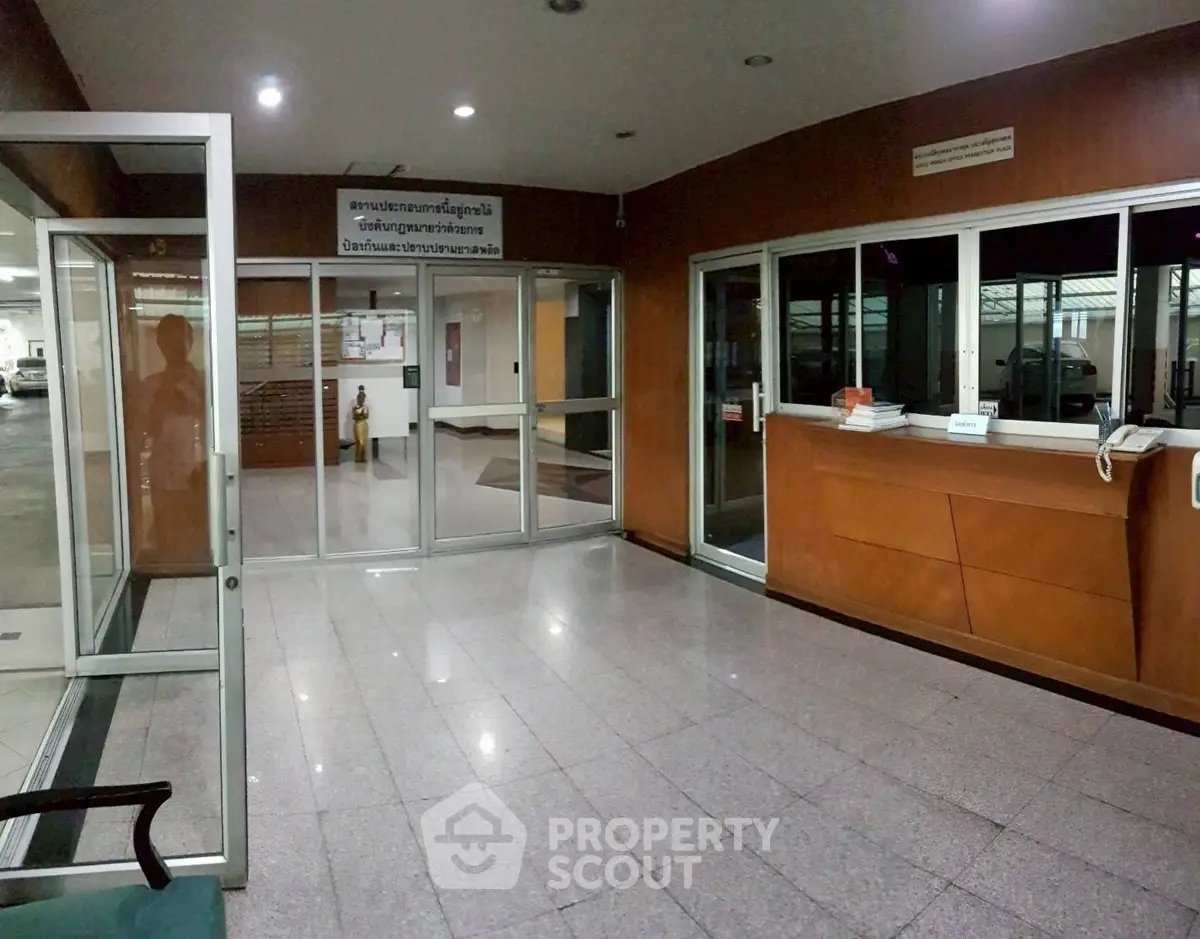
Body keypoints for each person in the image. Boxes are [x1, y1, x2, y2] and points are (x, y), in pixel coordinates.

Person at [141, 314, 206, 567]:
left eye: (181, 341)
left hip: (198, 471)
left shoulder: (203, 382)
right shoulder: (151, 386)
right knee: (167, 537)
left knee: (199, 536)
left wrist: (193, 399)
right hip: (163, 474)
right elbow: (142, 430)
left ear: (191, 342)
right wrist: (161, 401)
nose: (175, 348)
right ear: (160, 344)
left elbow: (217, 423)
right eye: (169, 342)